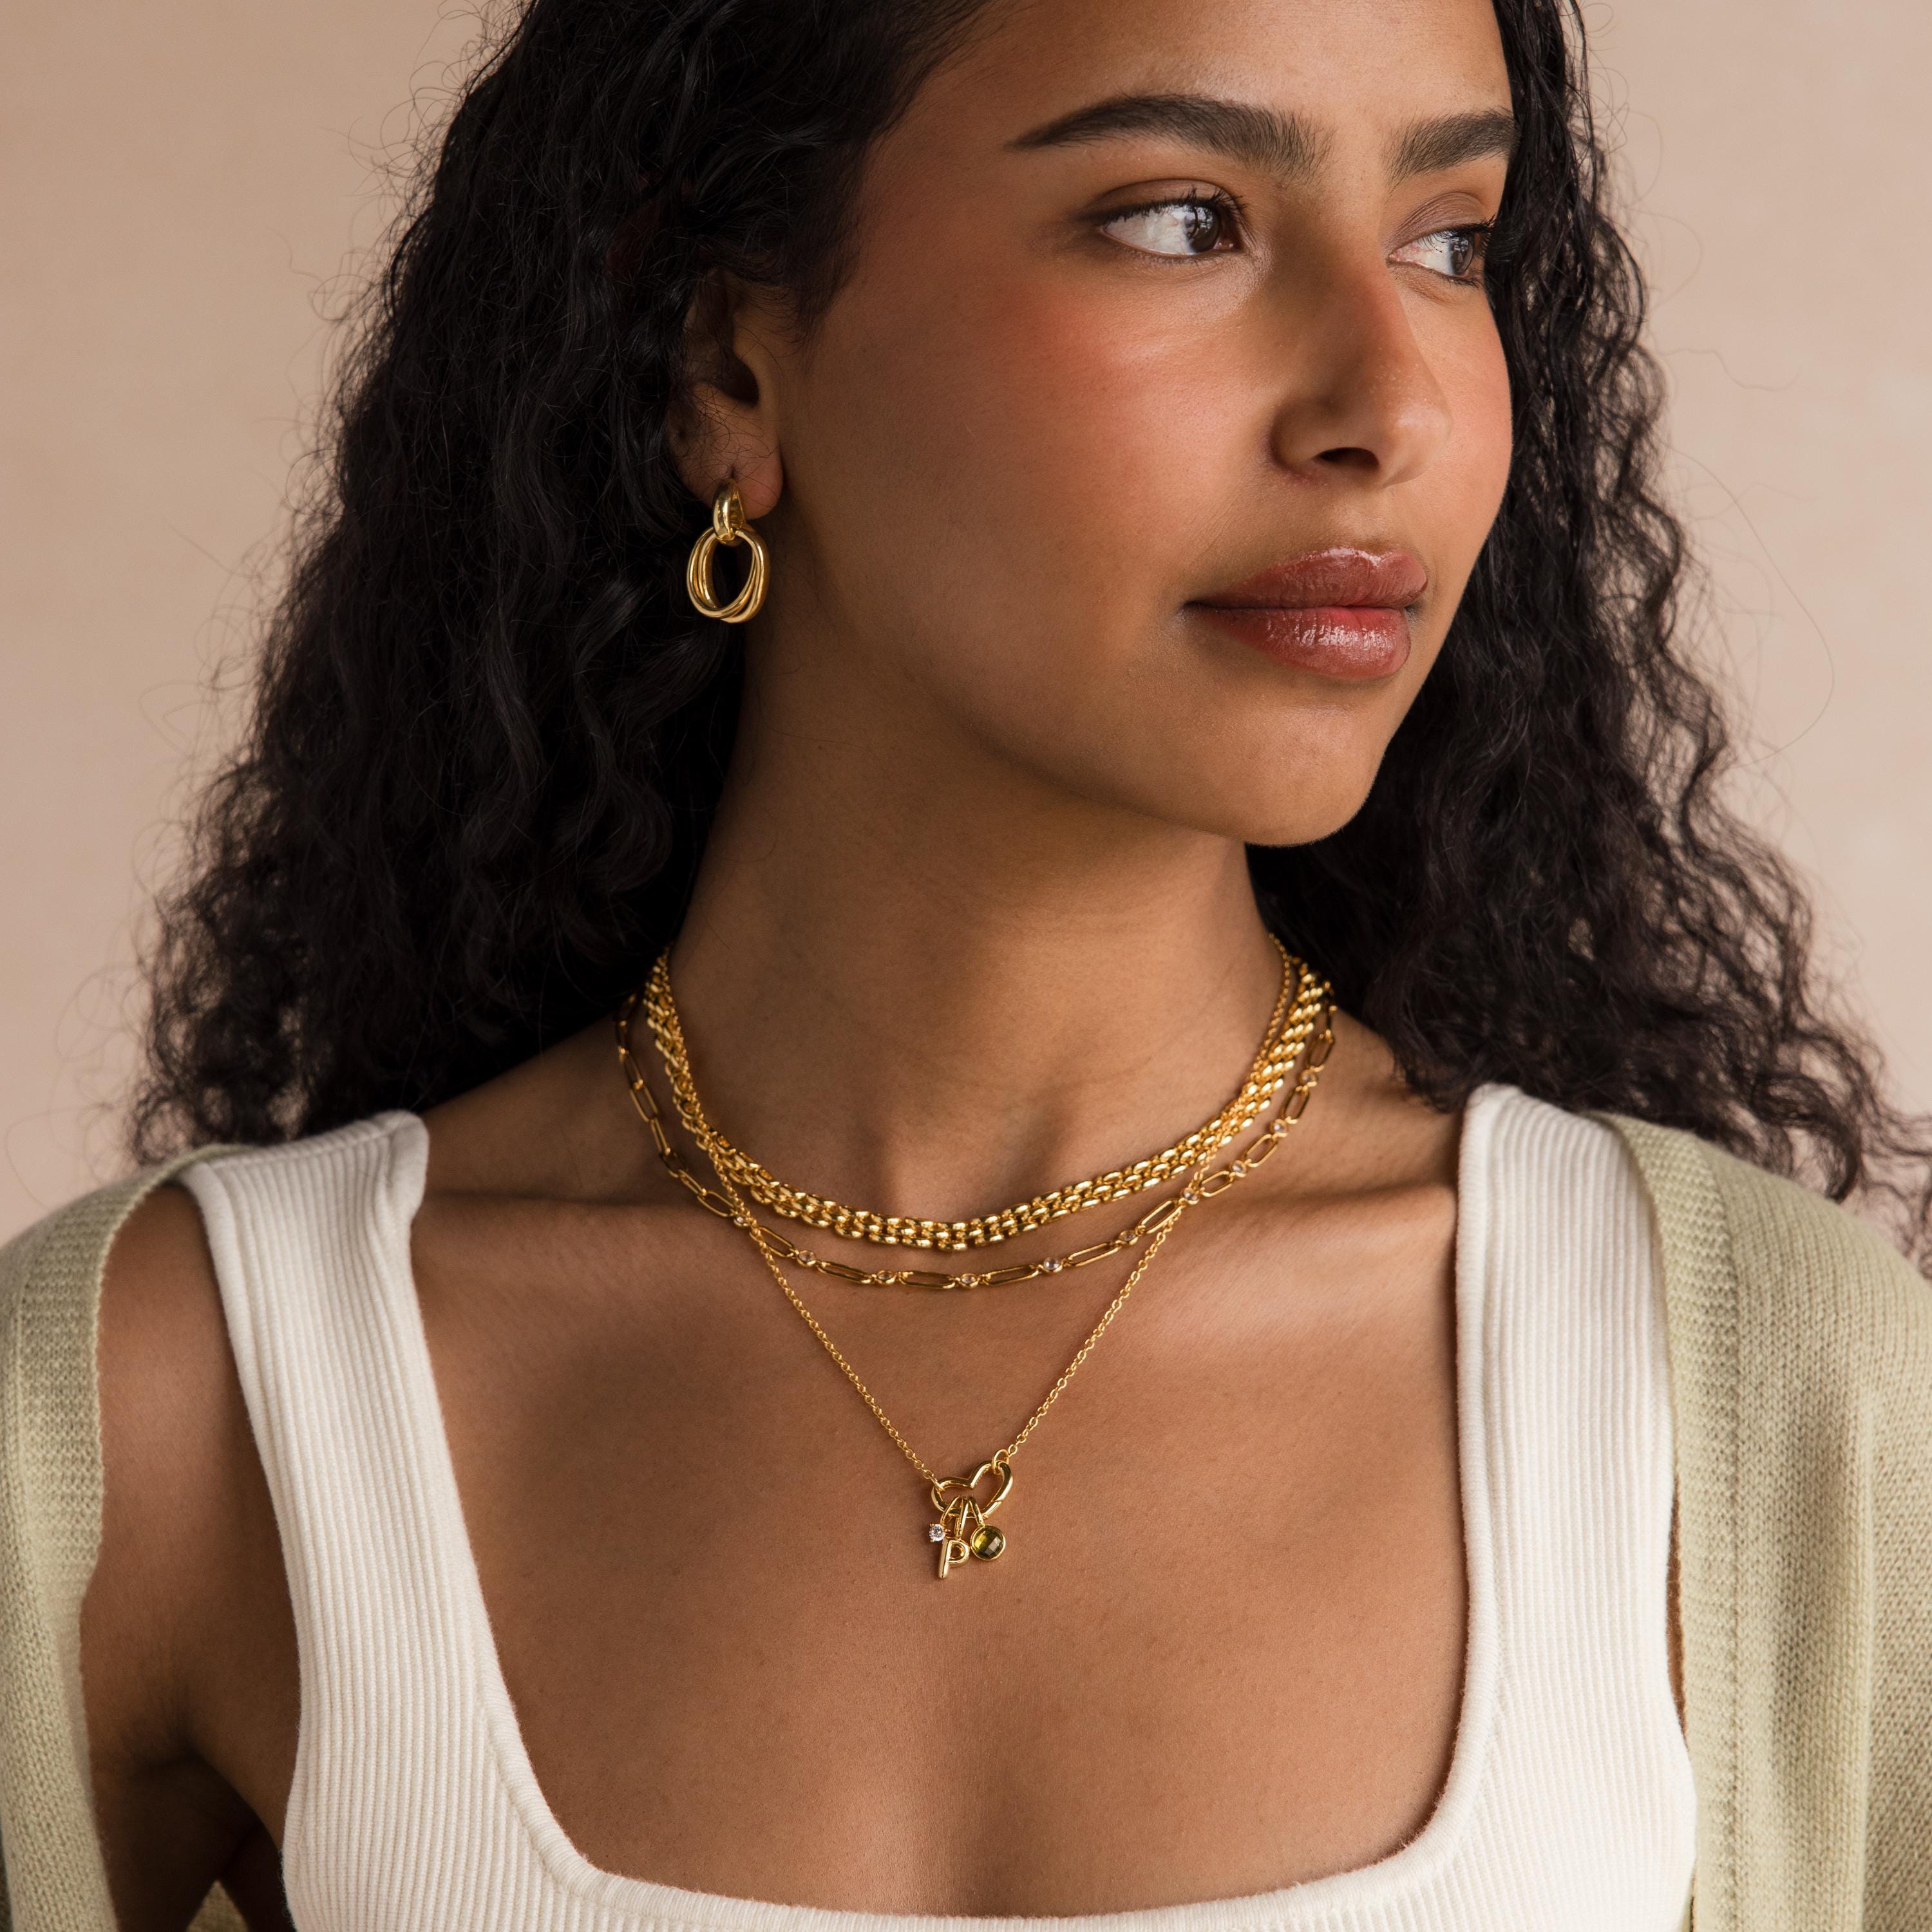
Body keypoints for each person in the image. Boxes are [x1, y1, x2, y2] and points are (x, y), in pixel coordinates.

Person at [2, 0, 1928, 1927]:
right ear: (724, 360)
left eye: (1451, 243)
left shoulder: (1767, 1407)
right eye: (1181, 220)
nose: (1390, 406)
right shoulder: (172, 1412)